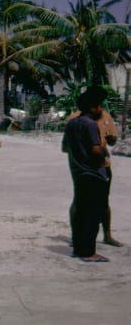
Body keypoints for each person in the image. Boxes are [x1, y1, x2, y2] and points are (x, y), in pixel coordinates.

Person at [66, 86, 122, 249]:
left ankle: (107, 235)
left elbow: (112, 139)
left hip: (102, 166)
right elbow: (75, 147)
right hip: (88, 167)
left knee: (103, 202)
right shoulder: (77, 119)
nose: (101, 108)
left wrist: (110, 140)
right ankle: (79, 238)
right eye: (98, 104)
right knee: (81, 203)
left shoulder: (105, 117)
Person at [62, 86, 110, 262]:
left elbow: (65, 147)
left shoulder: (72, 123)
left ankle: (79, 247)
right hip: (93, 173)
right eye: (99, 106)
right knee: (93, 215)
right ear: (92, 107)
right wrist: (105, 150)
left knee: (81, 213)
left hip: (78, 171)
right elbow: (96, 150)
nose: (101, 110)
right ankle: (89, 252)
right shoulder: (90, 124)